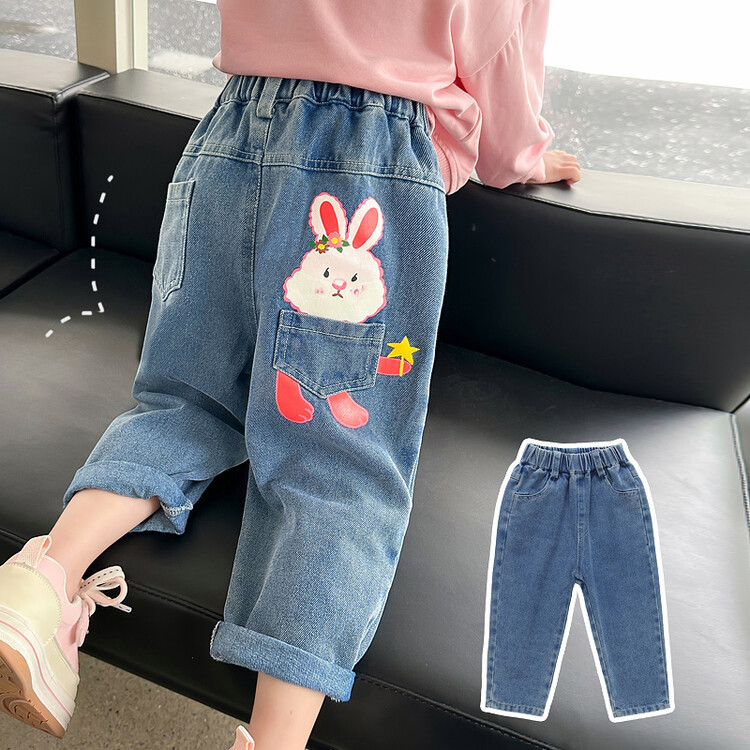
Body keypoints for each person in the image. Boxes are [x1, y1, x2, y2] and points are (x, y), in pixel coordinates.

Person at [0, 2, 579, 749]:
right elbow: (497, 53)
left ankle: (40, 584)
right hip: (369, 164)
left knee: (184, 403)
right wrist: (520, 156)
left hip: (231, 137)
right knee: (336, 464)